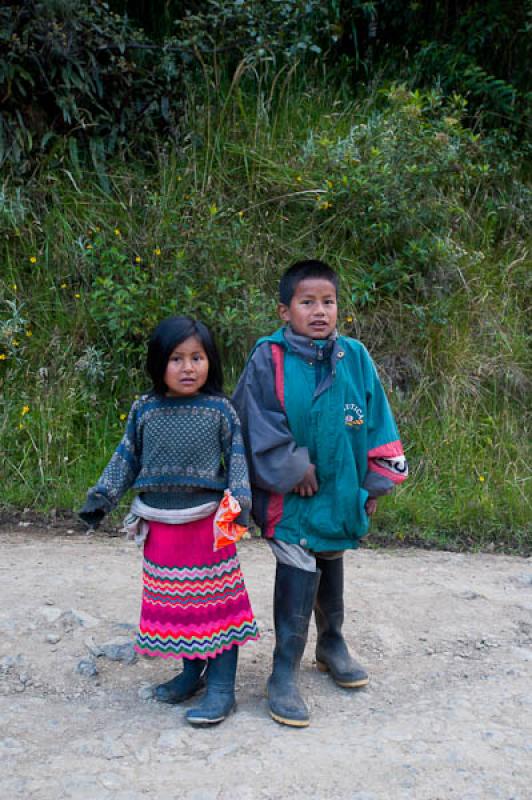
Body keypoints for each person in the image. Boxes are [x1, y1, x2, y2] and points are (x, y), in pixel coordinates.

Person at [232, 259, 408, 728]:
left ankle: (331, 644)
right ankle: (284, 669)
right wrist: (293, 465)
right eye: (306, 302)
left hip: (340, 486)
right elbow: (255, 417)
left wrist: (374, 481)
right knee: (297, 559)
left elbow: (377, 419)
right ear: (284, 310)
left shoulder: (355, 356)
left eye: (327, 302)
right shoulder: (267, 357)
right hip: (289, 494)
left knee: (330, 553)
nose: (319, 311)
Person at [79, 316, 259, 727]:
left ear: (210, 361)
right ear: (158, 362)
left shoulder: (219, 410)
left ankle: (222, 689)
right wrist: (102, 497)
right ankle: (191, 674)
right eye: (176, 358)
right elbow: (126, 456)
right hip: (160, 524)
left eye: (197, 357)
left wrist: (239, 506)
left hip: (208, 526)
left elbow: (236, 460)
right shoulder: (145, 409)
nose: (188, 367)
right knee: (179, 606)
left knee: (218, 605)